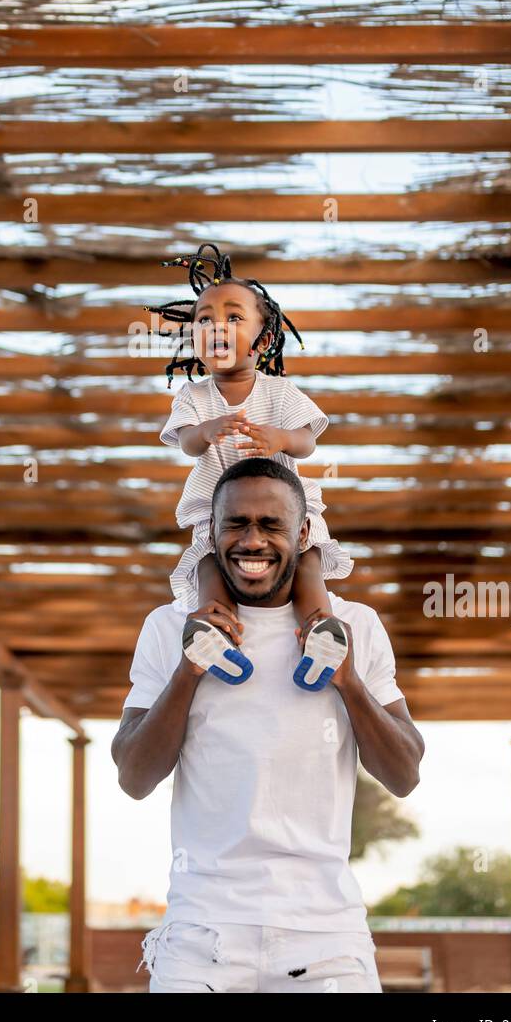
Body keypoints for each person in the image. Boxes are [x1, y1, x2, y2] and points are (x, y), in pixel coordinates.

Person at [111, 457, 425, 994]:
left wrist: (347, 680)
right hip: (202, 935)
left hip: (326, 937)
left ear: (304, 533)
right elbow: (134, 776)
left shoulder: (356, 628)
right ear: (211, 531)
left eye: (271, 524)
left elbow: (405, 772)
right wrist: (189, 672)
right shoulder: (169, 627)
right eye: (236, 524)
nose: (251, 540)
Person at [146, 241, 353, 688]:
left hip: (282, 510)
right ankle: (213, 631)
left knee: (309, 555)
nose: (217, 325)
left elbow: (307, 442)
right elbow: (186, 444)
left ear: (261, 341)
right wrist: (208, 429)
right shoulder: (194, 397)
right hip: (215, 509)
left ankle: (320, 626)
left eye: (234, 317)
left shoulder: (278, 392)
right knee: (206, 562)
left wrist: (280, 438)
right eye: (205, 319)